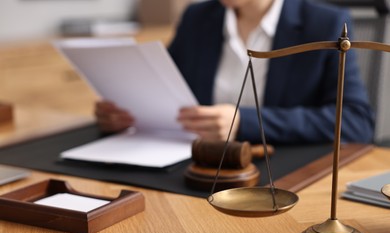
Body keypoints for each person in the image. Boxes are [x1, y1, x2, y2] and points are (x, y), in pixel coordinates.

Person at [95, 0, 375, 144]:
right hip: (198, 168)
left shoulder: (326, 23)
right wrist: (127, 113)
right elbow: (163, 92)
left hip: (282, 178)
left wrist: (243, 122)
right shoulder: (197, 17)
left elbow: (355, 122)